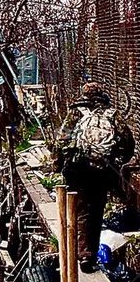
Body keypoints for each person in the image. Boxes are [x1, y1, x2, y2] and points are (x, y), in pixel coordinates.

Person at [53, 82, 135, 272]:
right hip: (102, 171)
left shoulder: (76, 113)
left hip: (78, 170)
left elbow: (61, 140)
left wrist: (57, 164)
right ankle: (88, 255)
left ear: (83, 94)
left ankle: (77, 252)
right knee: (96, 212)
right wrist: (118, 160)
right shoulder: (112, 114)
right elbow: (127, 141)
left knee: (80, 210)